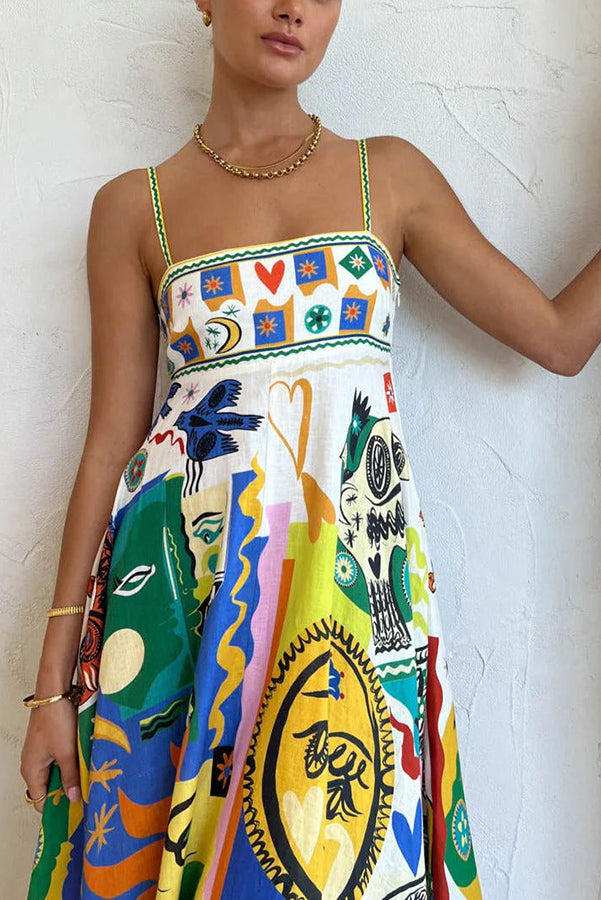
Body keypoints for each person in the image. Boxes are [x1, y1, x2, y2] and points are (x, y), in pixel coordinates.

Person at [20, 1, 600, 898]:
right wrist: (51, 690)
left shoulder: (387, 176)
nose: (295, 7)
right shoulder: (135, 207)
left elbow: (560, 340)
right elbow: (110, 446)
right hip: (183, 601)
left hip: (353, 597)